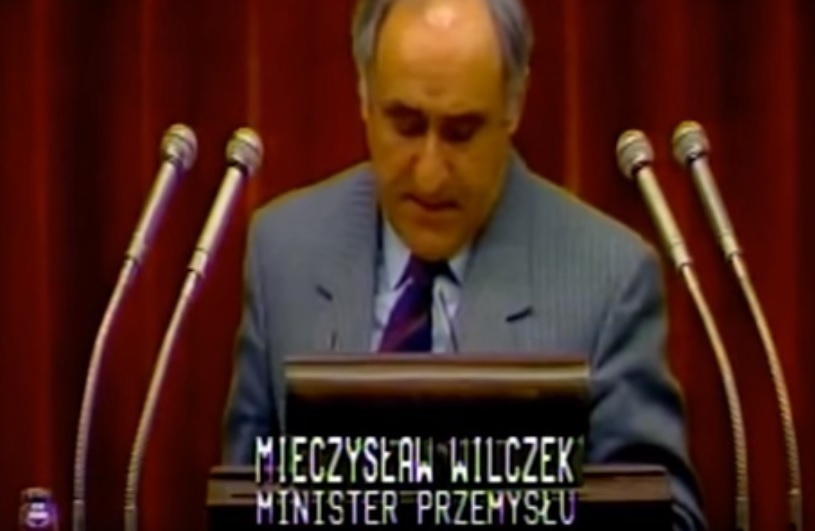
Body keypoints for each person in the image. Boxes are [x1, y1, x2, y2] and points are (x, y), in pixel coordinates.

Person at [222, 0, 706, 528]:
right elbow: (242, 501)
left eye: (461, 132)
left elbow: (665, 517)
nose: (430, 175)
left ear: (514, 104)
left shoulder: (609, 280)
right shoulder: (284, 253)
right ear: (363, 92)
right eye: (406, 125)